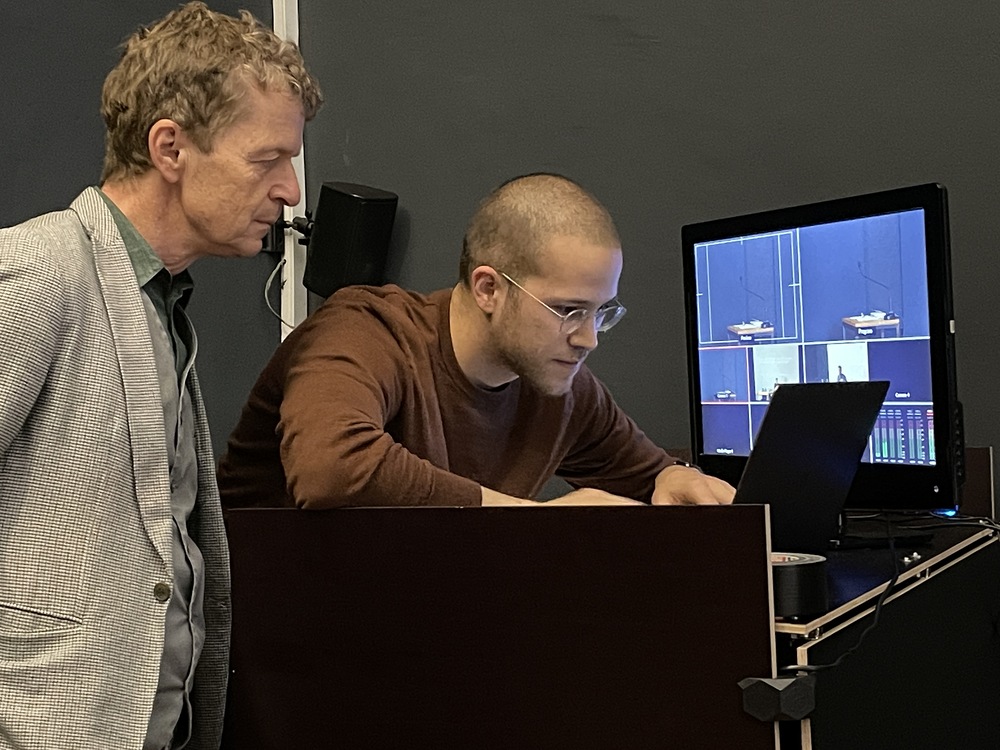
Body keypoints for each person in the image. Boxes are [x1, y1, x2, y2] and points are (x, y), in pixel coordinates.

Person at [0, 3, 321, 748]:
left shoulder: (160, 301)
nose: (290, 191)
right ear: (170, 147)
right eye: (267, 160)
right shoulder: (41, 271)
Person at [218, 173, 734, 509]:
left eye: (602, 313)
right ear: (489, 288)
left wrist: (670, 478)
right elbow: (331, 469)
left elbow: (649, 475)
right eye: (568, 310)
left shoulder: (559, 384)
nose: (588, 338)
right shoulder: (366, 330)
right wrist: (529, 518)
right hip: (263, 626)